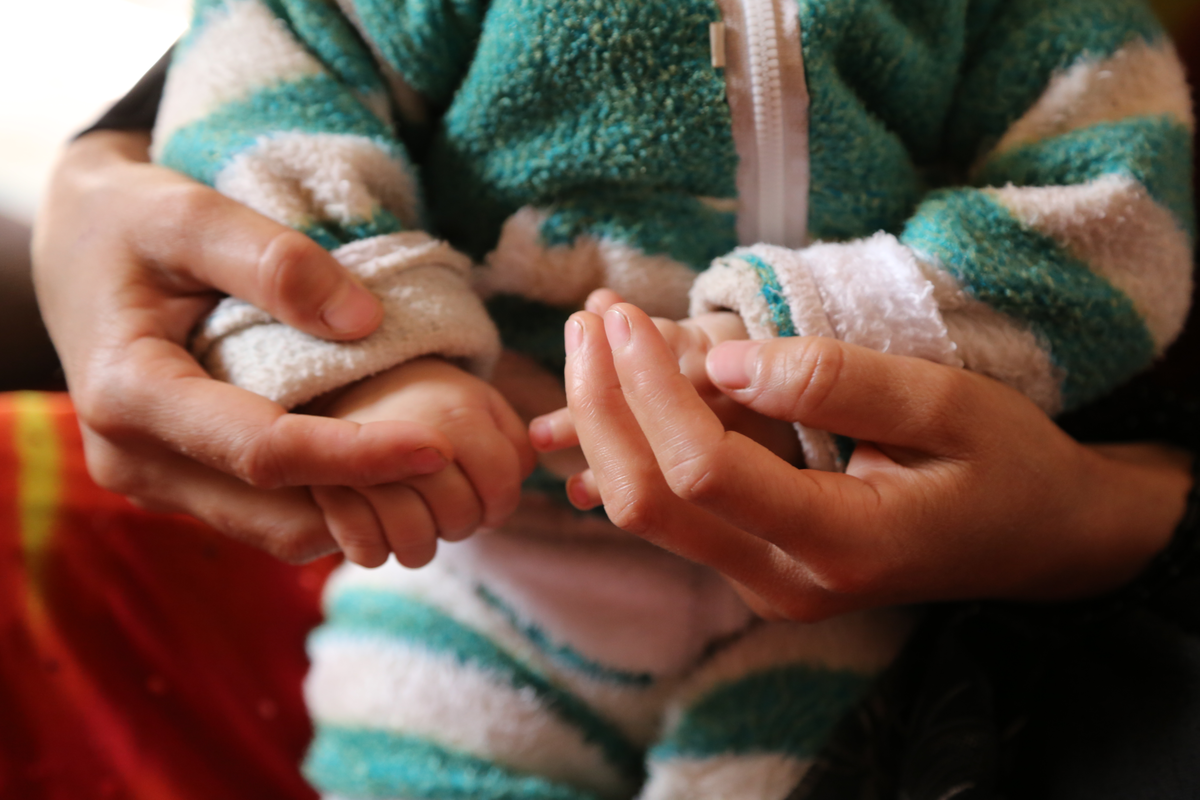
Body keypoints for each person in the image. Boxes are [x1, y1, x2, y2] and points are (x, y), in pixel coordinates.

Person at [25, 3, 1199, 800]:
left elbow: (1113, 213)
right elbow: (269, 92)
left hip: (882, 583)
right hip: (484, 564)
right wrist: (382, 351)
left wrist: (809, 334)